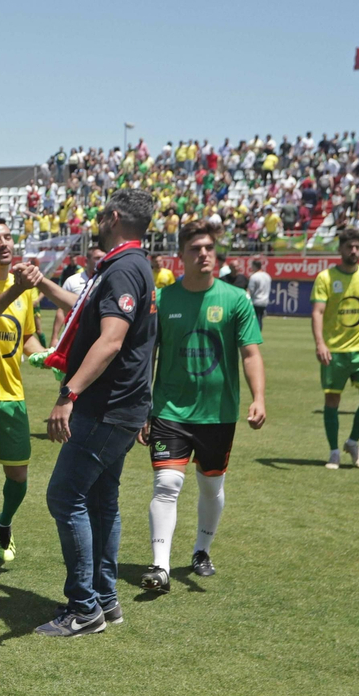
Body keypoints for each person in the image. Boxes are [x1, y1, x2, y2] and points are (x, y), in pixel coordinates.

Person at [36, 189, 158, 637]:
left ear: (112, 217)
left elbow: (111, 340)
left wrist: (68, 393)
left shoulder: (124, 268)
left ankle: (84, 607)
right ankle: (105, 599)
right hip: (125, 405)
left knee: (65, 497)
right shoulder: (137, 265)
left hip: (106, 406)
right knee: (102, 500)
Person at [140, 220, 266, 593]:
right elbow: (147, 358)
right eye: (195, 248)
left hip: (218, 413)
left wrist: (259, 397)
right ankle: (160, 566)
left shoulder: (235, 299)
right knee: (167, 483)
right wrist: (143, 406)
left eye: (209, 247)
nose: (204, 254)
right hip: (170, 409)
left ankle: (201, 550)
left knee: (211, 486)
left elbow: (251, 353)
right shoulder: (163, 300)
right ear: (181, 256)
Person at [0, 218, 74, 563]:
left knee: (18, 477)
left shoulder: (27, 289)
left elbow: (27, 337)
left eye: (8, 237)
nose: (4, 243)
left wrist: (43, 356)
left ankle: (4, 521)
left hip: (12, 396)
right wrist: (16, 290)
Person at [311, 228, 359, 470]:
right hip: (334, 351)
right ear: (340, 249)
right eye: (349, 247)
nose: (353, 251)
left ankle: (353, 442)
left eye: (357, 246)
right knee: (332, 399)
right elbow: (318, 312)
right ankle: (334, 451)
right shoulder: (325, 278)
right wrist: (320, 343)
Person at [246, 258, 272, 330]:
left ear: (254, 266)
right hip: (265, 301)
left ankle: (256, 334)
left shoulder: (254, 276)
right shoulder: (267, 276)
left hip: (256, 301)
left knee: (255, 319)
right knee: (259, 318)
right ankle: (258, 333)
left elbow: (250, 290)